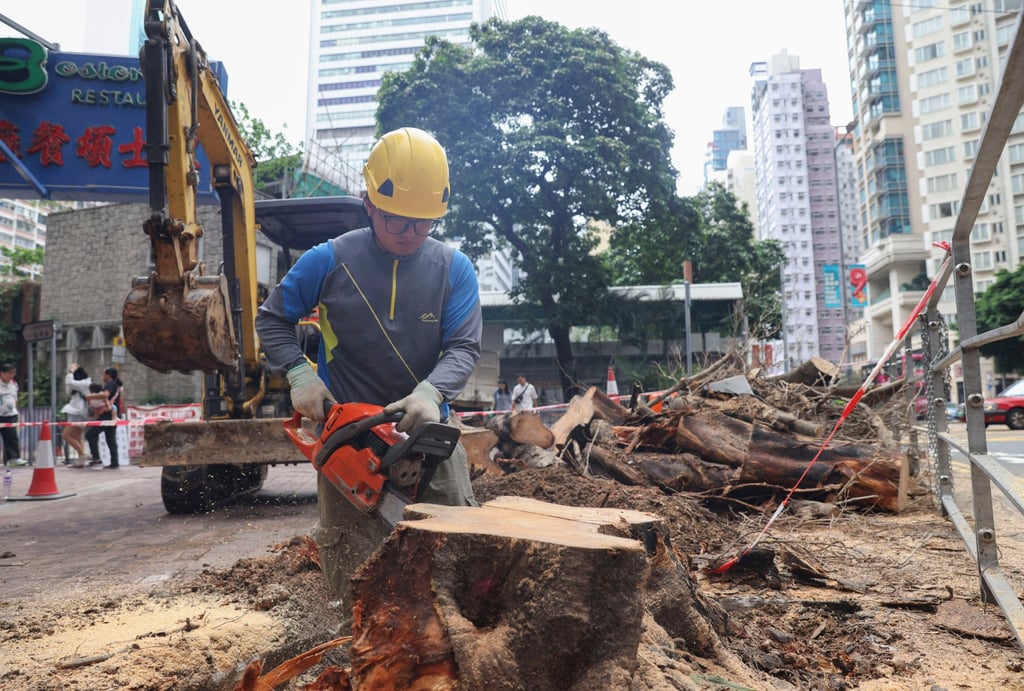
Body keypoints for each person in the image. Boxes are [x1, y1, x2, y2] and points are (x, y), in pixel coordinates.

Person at [255, 126, 482, 597]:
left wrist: (432, 392)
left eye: (423, 223)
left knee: (456, 543)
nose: (410, 234)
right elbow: (272, 319)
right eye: (397, 220)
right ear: (369, 203)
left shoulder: (454, 269)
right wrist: (299, 373)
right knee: (354, 567)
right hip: (350, 438)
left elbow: (463, 347)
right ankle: (353, 653)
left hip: (428, 427)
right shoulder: (329, 260)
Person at [85, 369, 120, 469]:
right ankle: (114, 462)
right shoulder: (114, 384)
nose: (103, 376)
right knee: (110, 439)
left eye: (104, 374)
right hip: (111, 414)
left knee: (90, 433)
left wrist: (89, 396)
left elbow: (105, 395)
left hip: (107, 415)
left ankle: (96, 458)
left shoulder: (110, 384)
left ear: (108, 375)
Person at [61, 364, 92, 465]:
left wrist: (71, 371)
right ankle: (81, 461)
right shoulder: (84, 383)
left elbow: (68, 382)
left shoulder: (83, 383)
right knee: (77, 437)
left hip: (78, 412)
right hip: (78, 411)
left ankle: (82, 454)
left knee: (65, 435)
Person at [0, 363, 26, 466]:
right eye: (9, 373)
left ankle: (13, 458)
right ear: (2, 373)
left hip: (11, 415)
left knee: (12, 437)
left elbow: (15, 398)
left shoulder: (14, 384)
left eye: (13, 373)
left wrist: (15, 409)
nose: (11, 375)